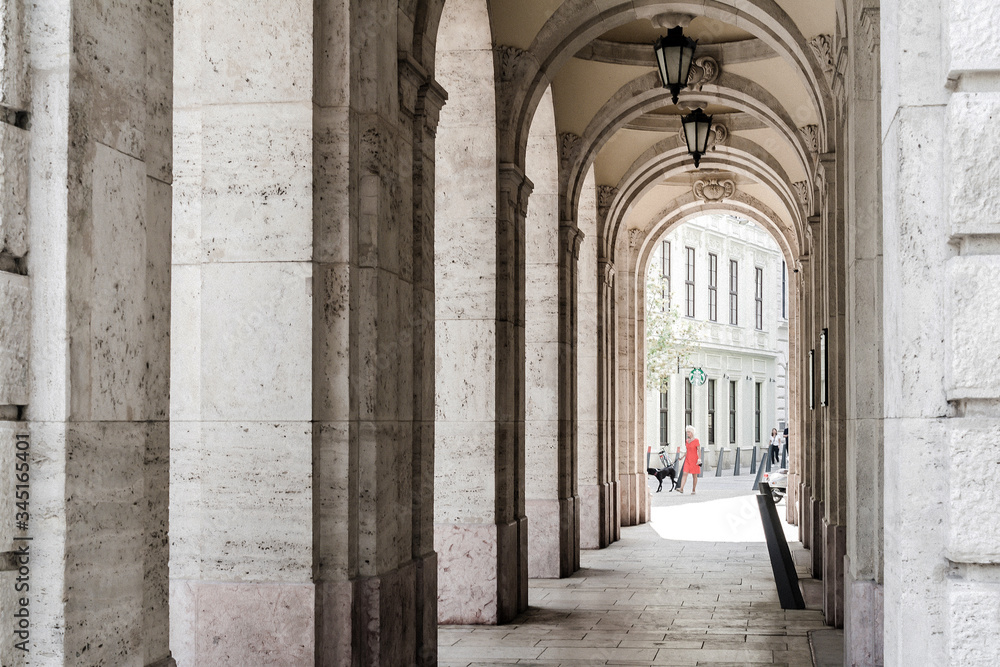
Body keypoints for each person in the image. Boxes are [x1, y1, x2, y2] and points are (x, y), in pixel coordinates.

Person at [677, 425, 701, 494]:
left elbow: (699, 450)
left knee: (694, 475)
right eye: (687, 432)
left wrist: (699, 459)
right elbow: (687, 450)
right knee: (684, 473)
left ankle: (693, 490)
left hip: (694, 460)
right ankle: (681, 488)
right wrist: (682, 457)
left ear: (692, 433)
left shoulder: (696, 440)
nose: (687, 434)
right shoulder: (687, 441)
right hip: (687, 459)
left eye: (689, 432)